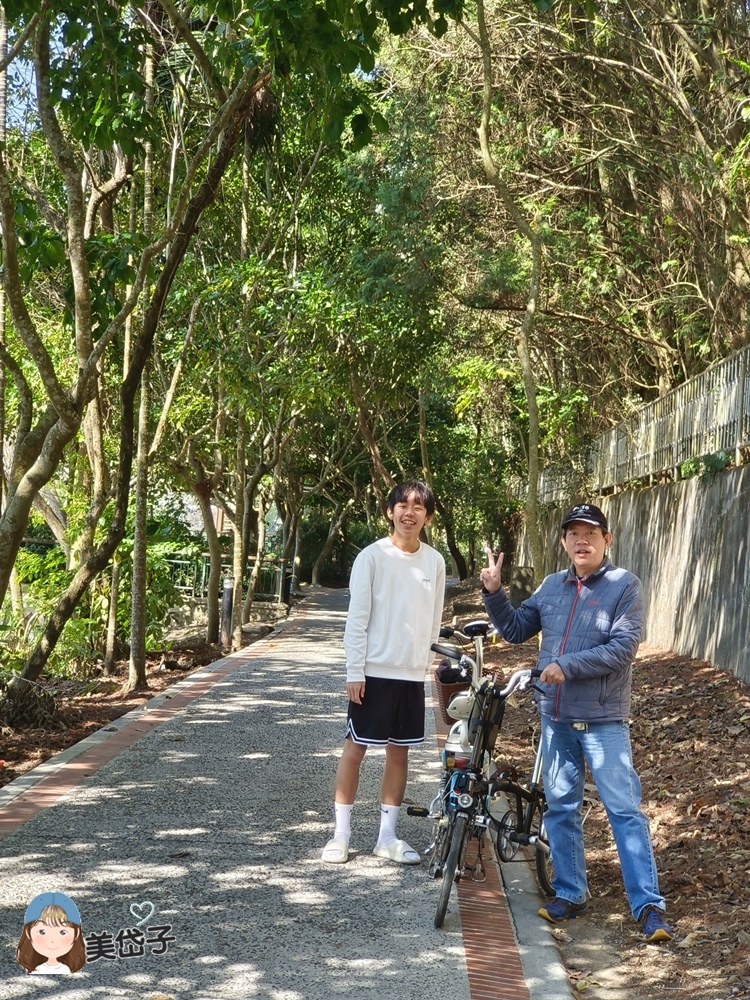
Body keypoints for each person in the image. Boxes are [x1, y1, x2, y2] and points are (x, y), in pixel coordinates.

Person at [480, 502, 673, 942]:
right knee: (562, 807)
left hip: (603, 719)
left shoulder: (625, 585)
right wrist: (494, 593)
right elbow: (514, 630)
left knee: (624, 811)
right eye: (573, 534)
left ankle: (648, 907)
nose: (581, 540)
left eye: (591, 532)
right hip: (556, 718)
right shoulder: (552, 586)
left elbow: (623, 649)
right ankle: (570, 893)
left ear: (607, 540)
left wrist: (566, 665)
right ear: (564, 542)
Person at [322, 480, 446, 865]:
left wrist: (424, 664)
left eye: (418, 507)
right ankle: (340, 835)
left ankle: (387, 837)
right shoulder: (371, 557)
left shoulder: (435, 562)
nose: (409, 512)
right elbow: (356, 619)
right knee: (355, 749)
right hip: (372, 673)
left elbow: (433, 620)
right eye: (403, 505)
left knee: (399, 755)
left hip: (410, 676)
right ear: (390, 511)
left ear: (427, 516)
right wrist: (354, 671)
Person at [16, 892, 86, 974]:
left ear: (76, 934)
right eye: (42, 932)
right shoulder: (35, 970)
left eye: (63, 932)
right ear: (28, 933)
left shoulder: (67, 969)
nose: (52, 941)